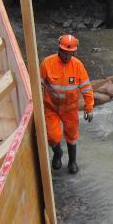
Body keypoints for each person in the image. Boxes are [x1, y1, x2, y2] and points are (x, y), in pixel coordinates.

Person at [40, 34, 94, 174]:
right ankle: (58, 153)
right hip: (51, 107)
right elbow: (39, 83)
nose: (67, 56)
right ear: (59, 49)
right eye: (65, 52)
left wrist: (89, 108)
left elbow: (86, 88)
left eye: (70, 53)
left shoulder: (77, 66)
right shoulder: (47, 63)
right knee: (52, 136)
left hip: (70, 108)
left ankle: (72, 161)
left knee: (71, 135)